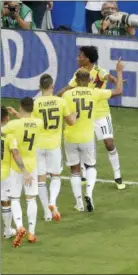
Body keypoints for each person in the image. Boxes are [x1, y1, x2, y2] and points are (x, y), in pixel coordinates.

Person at [57, 46, 126, 190]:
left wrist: (115, 78)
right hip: (85, 114)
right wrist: (54, 96)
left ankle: (118, 176)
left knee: (109, 143)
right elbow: (68, 88)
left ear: (87, 59)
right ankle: (83, 175)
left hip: (101, 113)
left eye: (80, 56)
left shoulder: (99, 71)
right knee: (82, 143)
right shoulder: (79, 74)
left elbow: (108, 77)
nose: (77, 58)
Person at [31, 74, 76, 222]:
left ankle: (46, 213)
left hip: (38, 145)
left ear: (40, 87)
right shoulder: (61, 102)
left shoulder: (35, 103)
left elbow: (29, 125)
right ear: (52, 86)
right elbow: (71, 122)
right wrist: (74, 114)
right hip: (54, 145)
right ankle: (52, 202)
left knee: (41, 179)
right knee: (55, 176)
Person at [1, 97, 43, 247]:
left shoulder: (13, 125)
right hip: (32, 165)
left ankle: (19, 227)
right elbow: (28, 125)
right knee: (31, 198)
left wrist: (13, 116)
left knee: (15, 198)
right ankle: (31, 232)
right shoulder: (39, 123)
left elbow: (3, 130)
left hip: (16, 167)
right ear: (32, 108)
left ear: (20, 107)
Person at [1, 106, 31, 241]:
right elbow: (15, 154)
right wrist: (24, 171)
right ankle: (7, 230)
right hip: (4, 174)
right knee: (6, 201)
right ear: (7, 118)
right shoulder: (10, 136)